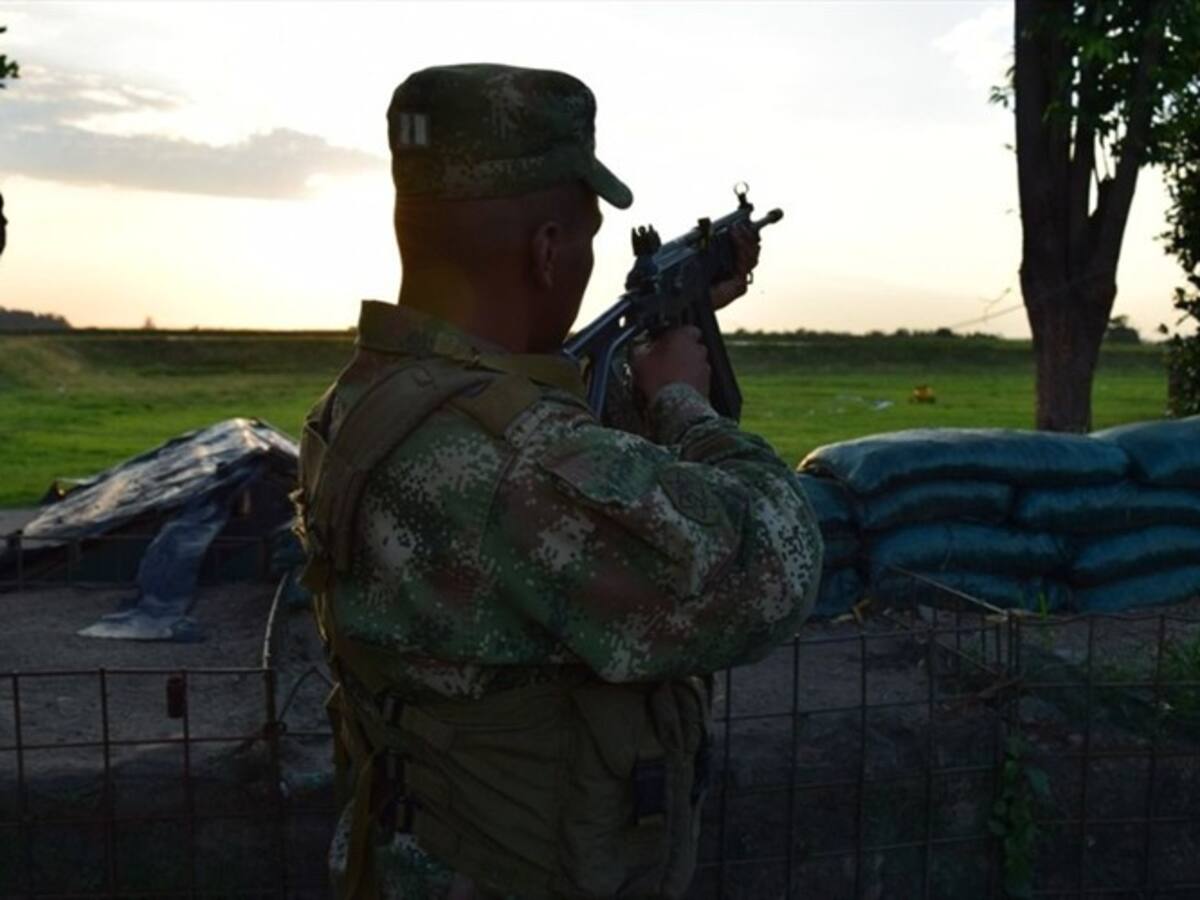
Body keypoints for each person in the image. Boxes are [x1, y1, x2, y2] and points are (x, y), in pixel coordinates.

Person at [295, 63, 823, 900]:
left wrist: (676, 321)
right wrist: (685, 402)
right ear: (547, 250)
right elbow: (768, 566)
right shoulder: (523, 465)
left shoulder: (363, 402)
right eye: (583, 237)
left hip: (406, 853)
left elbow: (539, 457)